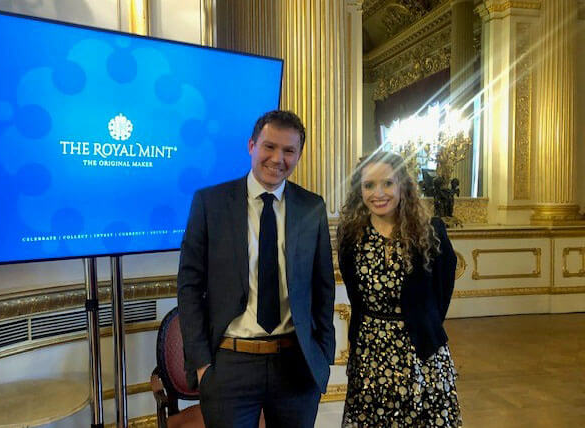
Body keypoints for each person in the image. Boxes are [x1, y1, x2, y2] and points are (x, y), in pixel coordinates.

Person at [177, 110, 336, 428]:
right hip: (229, 364)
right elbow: (189, 284)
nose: (278, 159)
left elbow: (323, 286)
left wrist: (323, 354)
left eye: (289, 150)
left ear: (298, 155)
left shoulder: (311, 207)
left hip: (295, 363)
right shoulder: (210, 203)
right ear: (251, 145)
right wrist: (202, 364)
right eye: (269, 147)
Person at [337, 151, 462, 427]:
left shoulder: (431, 232)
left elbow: (442, 292)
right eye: (369, 185)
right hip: (370, 353)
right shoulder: (350, 236)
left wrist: (422, 323)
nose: (378, 193)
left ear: (402, 185)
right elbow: (355, 294)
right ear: (360, 190)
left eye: (387, 183)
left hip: (422, 353)